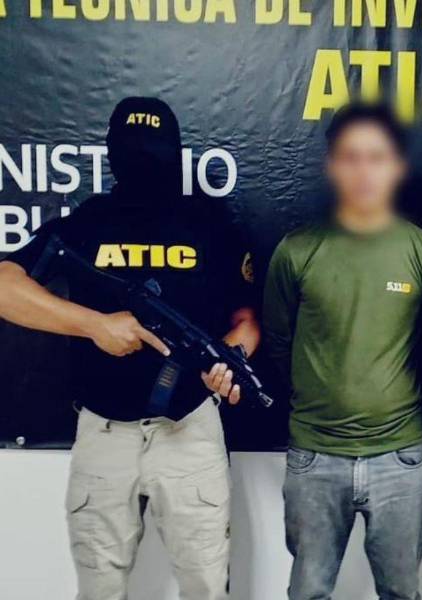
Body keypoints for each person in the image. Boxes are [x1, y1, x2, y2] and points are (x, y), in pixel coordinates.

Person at [0, 97, 259, 600]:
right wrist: (95, 325)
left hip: (188, 428)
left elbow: (245, 320)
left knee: (207, 586)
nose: (144, 162)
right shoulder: (86, 224)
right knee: (99, 588)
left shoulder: (212, 228)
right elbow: (6, 285)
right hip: (104, 431)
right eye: (134, 150)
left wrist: (230, 362)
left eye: (153, 151)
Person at [263, 102, 422, 600]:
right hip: (314, 456)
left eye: (376, 157)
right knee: (308, 593)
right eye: (351, 157)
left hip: (399, 457)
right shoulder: (296, 251)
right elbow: (278, 341)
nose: (364, 171)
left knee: (401, 593)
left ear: (396, 166)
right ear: (332, 165)